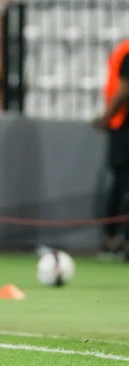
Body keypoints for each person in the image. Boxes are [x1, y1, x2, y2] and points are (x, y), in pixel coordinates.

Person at [93, 38, 129, 261]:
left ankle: (112, 240)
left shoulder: (126, 52)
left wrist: (107, 117)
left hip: (125, 128)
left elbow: (125, 90)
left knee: (121, 185)